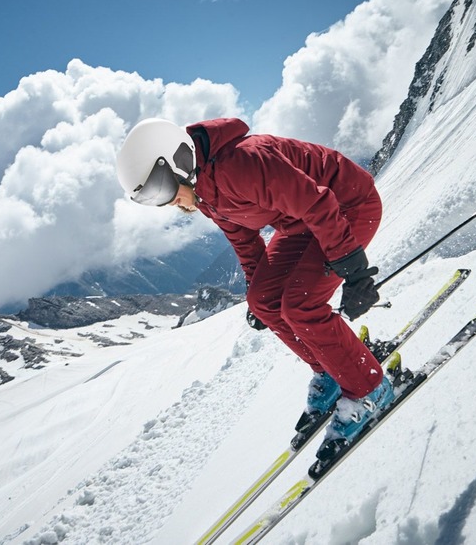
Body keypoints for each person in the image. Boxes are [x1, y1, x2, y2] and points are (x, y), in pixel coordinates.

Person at [116, 117, 394, 455]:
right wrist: (257, 287)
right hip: (301, 224)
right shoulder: (205, 190)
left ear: (179, 160)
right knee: (264, 301)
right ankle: (333, 369)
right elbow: (243, 238)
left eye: (160, 189)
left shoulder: (242, 164)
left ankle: (370, 388)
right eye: (151, 198)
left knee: (300, 306)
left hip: (347, 207)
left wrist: (353, 269)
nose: (165, 203)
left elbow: (317, 202)